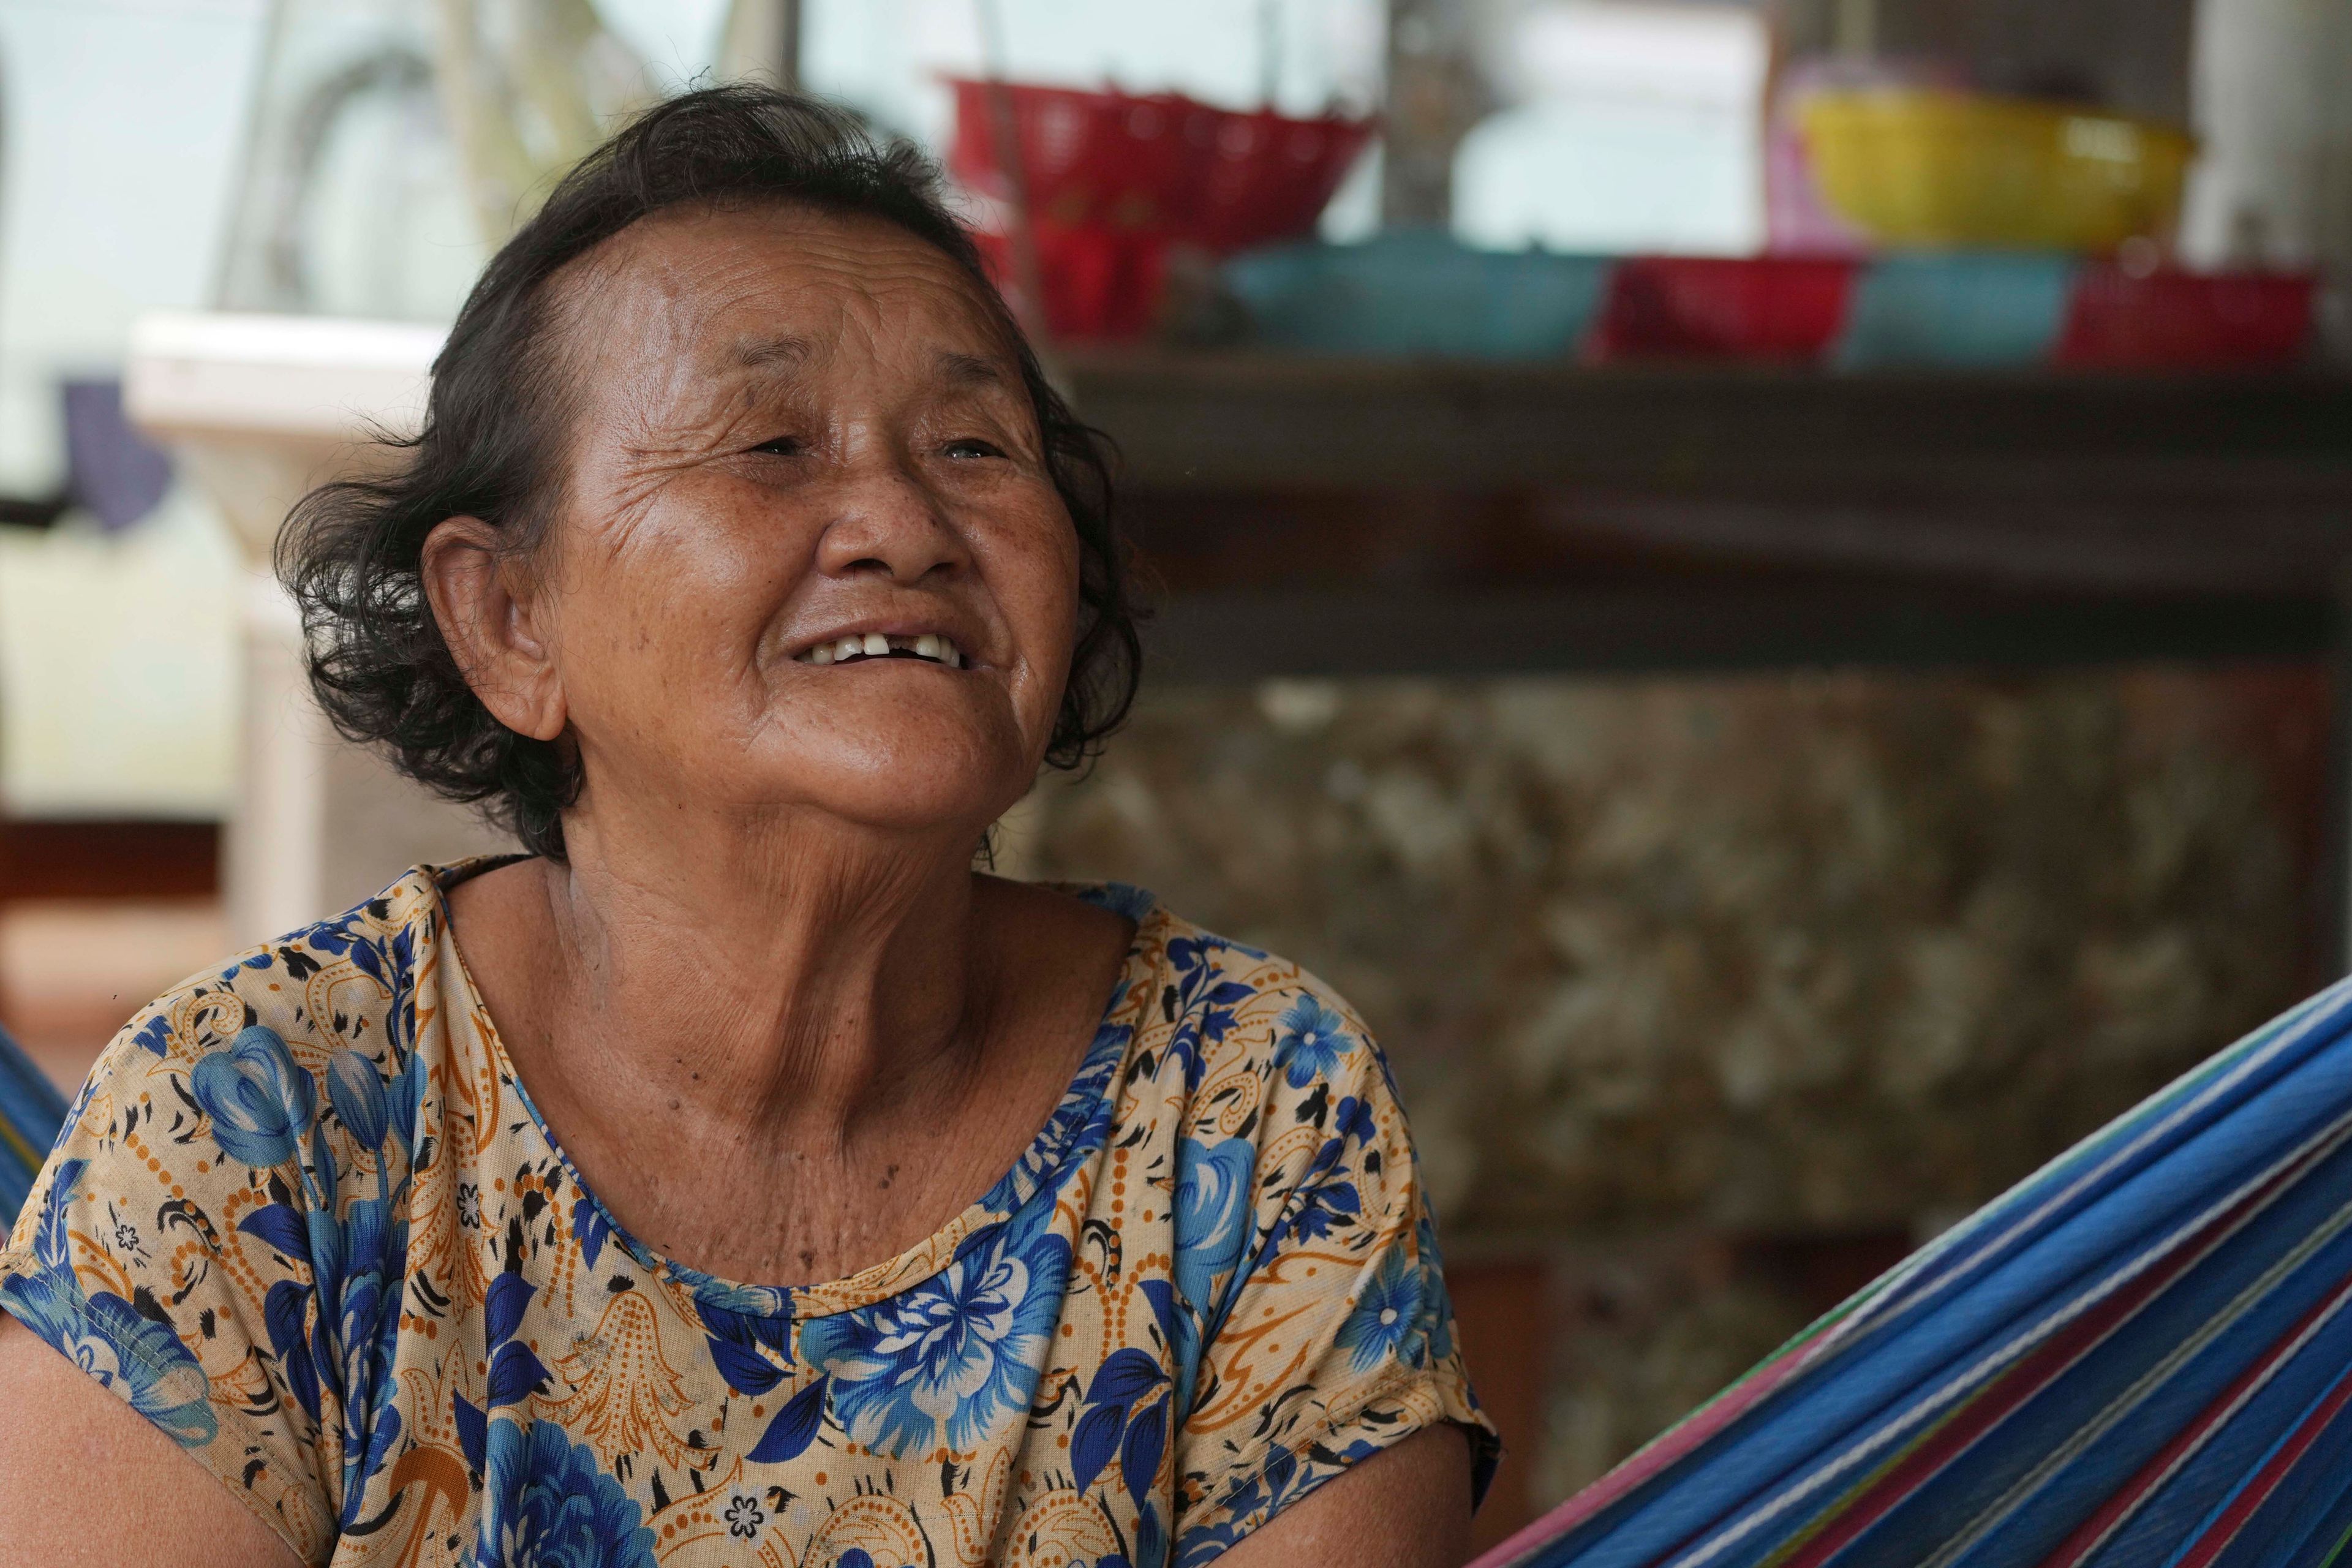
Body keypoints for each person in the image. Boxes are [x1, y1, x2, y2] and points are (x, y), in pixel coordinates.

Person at [0, 86, 1495, 1567]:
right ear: (510, 617)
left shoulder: (1245, 1109)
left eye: (977, 447)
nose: (905, 523)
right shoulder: (255, 1128)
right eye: (770, 444)